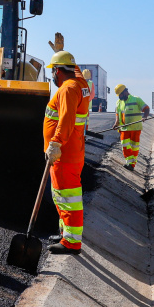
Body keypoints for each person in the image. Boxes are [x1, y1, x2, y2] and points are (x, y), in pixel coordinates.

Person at [43, 49, 90, 255]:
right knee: (61, 196)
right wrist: (61, 52)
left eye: (53, 71)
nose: (52, 75)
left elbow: (66, 120)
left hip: (64, 153)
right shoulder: (80, 83)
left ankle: (71, 242)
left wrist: (55, 143)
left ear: (58, 71)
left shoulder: (68, 89)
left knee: (68, 198)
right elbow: (75, 70)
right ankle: (65, 233)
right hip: (72, 151)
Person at [113, 84, 150, 170]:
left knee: (134, 147)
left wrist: (144, 116)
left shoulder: (136, 99)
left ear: (125, 92)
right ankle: (130, 162)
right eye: (119, 95)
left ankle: (132, 165)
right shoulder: (118, 102)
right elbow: (117, 114)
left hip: (135, 128)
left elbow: (146, 108)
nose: (119, 97)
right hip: (124, 128)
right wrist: (116, 123)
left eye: (120, 95)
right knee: (124, 144)